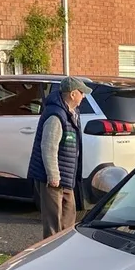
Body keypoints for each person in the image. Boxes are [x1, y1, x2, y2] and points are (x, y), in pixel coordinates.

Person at [28, 77, 91, 239]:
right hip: (53, 179)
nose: (84, 96)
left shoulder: (72, 113)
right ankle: (51, 248)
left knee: (68, 217)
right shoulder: (56, 115)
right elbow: (48, 147)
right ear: (72, 94)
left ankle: (65, 247)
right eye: (82, 93)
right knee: (53, 221)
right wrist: (53, 176)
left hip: (66, 176)